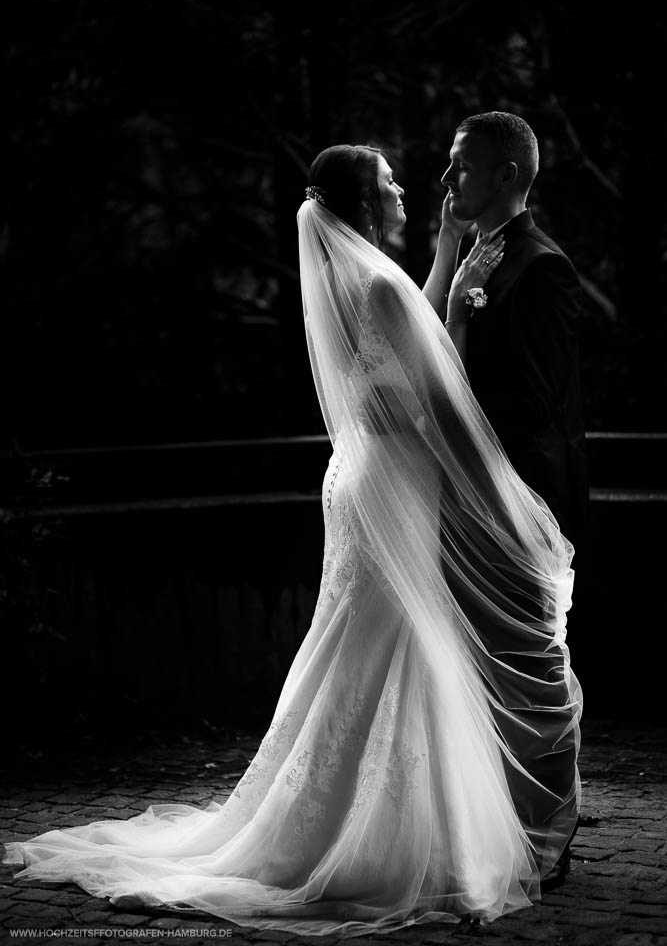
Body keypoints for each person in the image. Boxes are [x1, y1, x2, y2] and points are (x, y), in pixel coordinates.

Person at [3, 144, 582, 938]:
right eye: (388, 182)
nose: (406, 187)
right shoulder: (375, 284)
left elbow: (405, 348)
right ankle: (386, 835)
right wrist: (502, 500)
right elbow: (439, 404)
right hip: (396, 478)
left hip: (362, 474)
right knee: (396, 641)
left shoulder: (360, 282)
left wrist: (445, 254)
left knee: (363, 640)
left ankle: (352, 815)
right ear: (364, 205)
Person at [424, 111, 588, 551]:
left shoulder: (542, 267)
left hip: (520, 509)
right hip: (471, 501)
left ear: (505, 176)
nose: (446, 178)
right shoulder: (475, 257)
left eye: (462, 166)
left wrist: (440, 426)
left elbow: (533, 405)